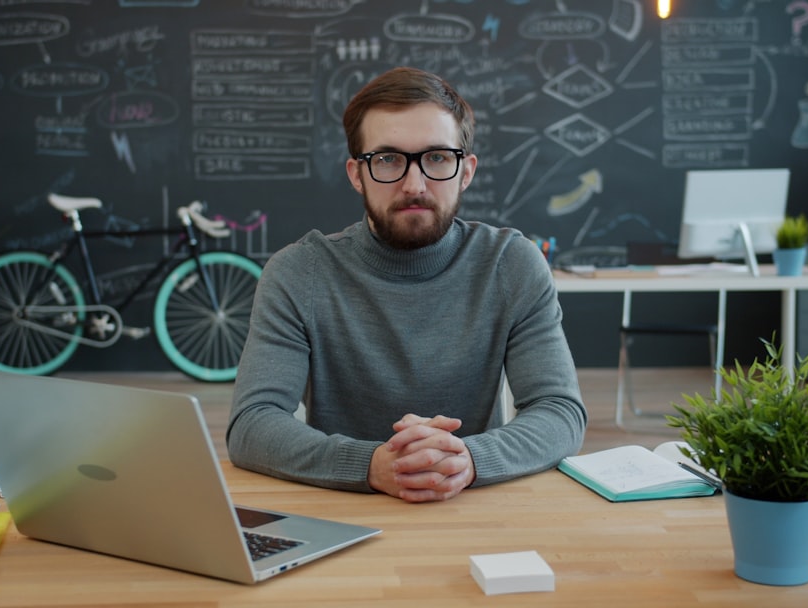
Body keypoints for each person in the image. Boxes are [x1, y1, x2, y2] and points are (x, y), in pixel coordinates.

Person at [227, 66, 586, 503]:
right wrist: (371, 466)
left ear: (466, 171)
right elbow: (251, 423)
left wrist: (468, 459)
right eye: (388, 160)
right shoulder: (298, 272)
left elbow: (560, 412)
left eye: (436, 158)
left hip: (477, 508)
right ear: (357, 174)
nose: (413, 184)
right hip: (341, 509)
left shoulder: (511, 264)